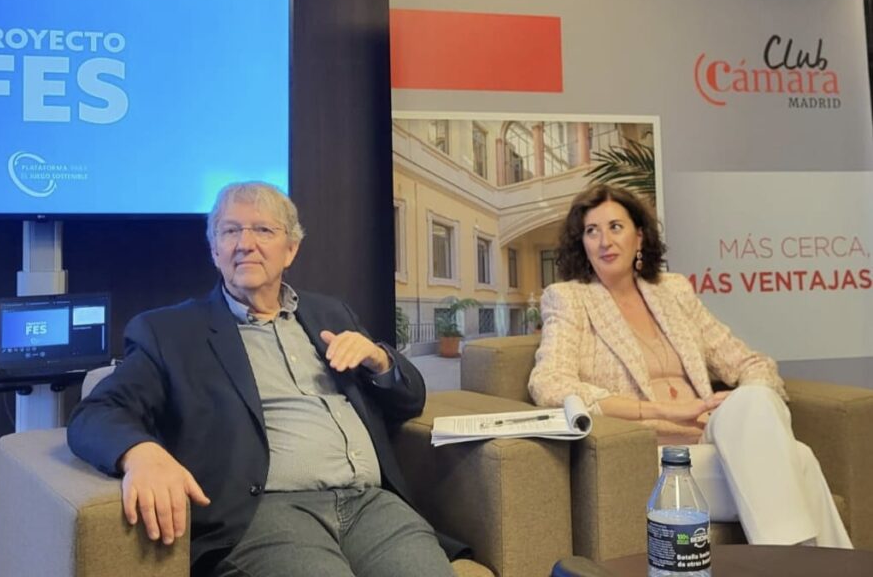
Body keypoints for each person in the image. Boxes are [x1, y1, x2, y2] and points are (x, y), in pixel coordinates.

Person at [67, 182, 458, 577]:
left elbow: (411, 401)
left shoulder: (331, 314)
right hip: (266, 512)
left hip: (371, 505)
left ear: (290, 249)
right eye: (230, 230)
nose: (245, 243)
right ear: (214, 249)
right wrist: (141, 455)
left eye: (263, 230)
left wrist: (380, 360)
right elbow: (98, 411)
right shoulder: (170, 332)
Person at [528, 183, 851, 548]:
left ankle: (783, 562)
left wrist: (733, 404)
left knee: (753, 399)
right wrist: (665, 409)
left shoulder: (674, 291)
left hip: (709, 437)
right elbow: (550, 383)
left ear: (639, 237)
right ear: (582, 244)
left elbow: (753, 362)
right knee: (800, 460)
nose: (604, 241)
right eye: (592, 231)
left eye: (615, 227)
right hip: (650, 456)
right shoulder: (569, 299)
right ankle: (811, 565)